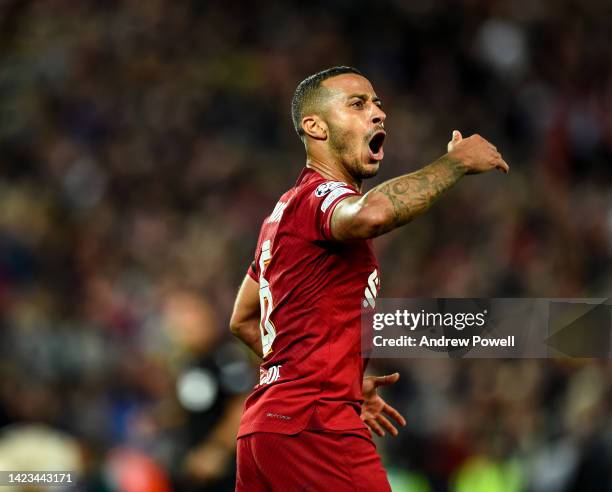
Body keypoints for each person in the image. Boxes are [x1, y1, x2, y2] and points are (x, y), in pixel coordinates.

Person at [229, 66, 509, 491]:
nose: (378, 113)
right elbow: (372, 215)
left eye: (377, 103)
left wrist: (337, 372)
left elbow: (244, 319)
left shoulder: (281, 214)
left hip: (265, 429)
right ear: (315, 127)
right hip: (315, 426)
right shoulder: (321, 198)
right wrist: (454, 164)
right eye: (358, 104)